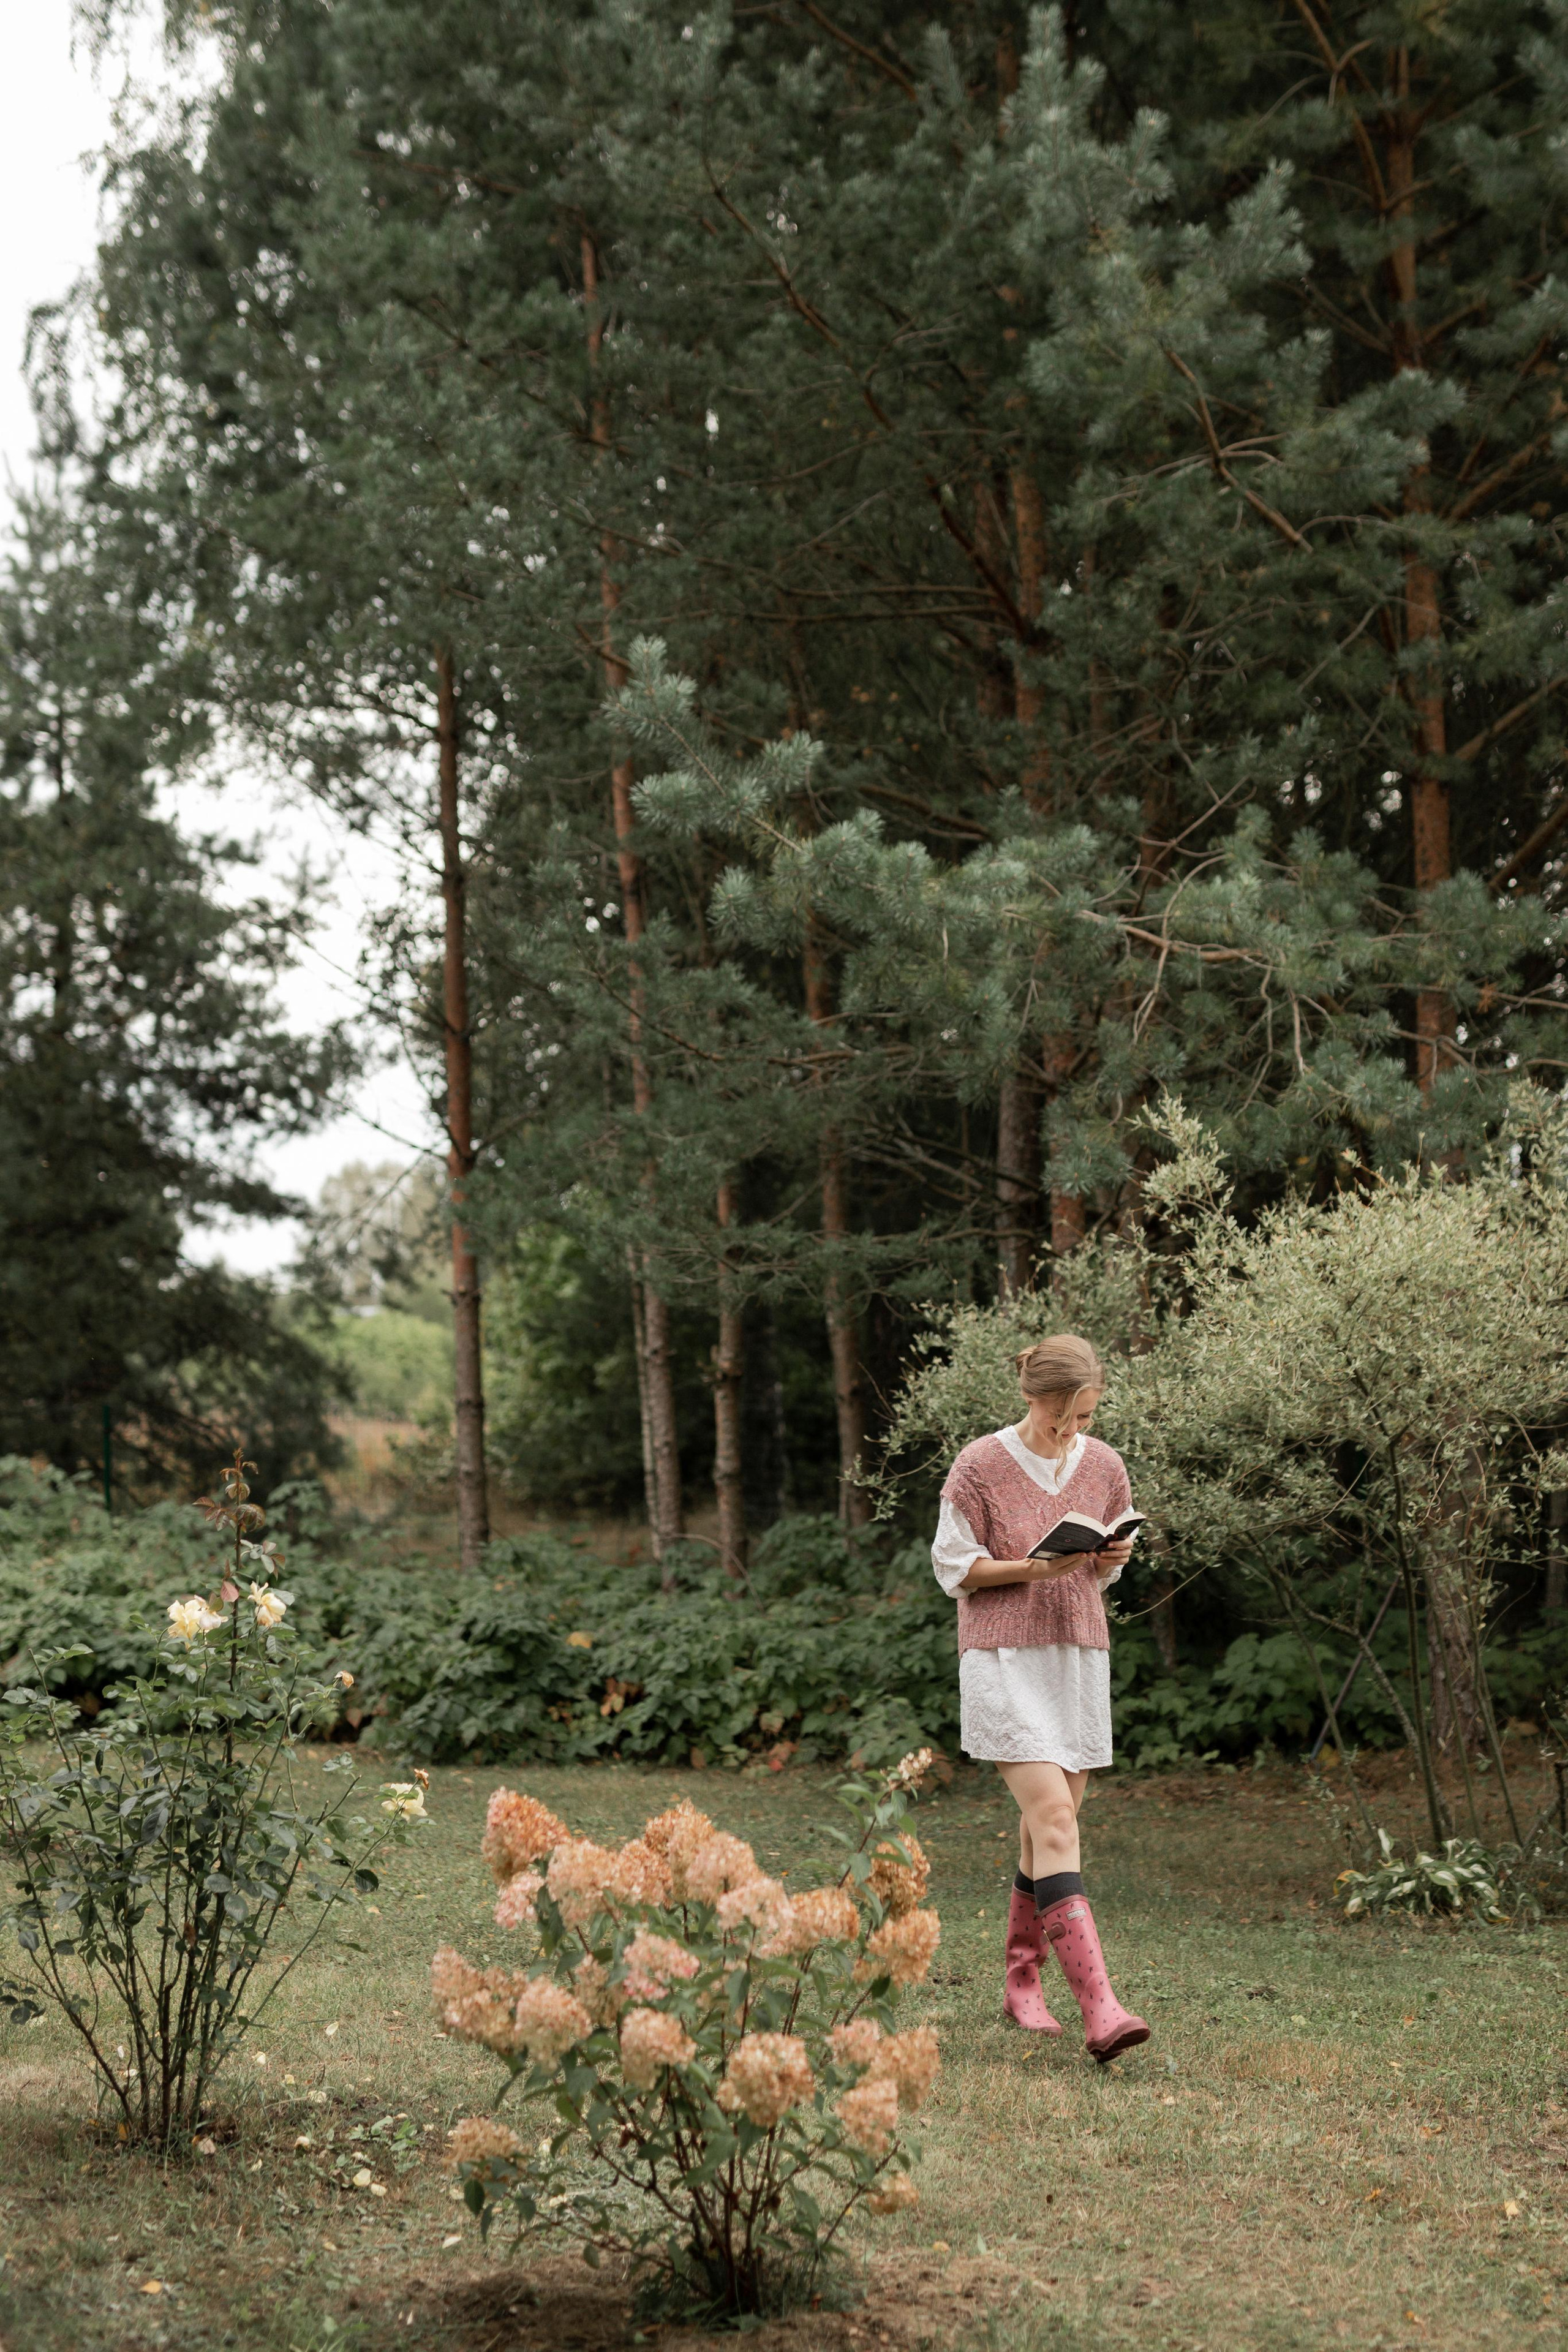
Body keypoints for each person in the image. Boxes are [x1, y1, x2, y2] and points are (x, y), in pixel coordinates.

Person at [931, 1332, 1149, 2062]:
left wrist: (1111, 1555)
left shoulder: (1106, 1465)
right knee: (1053, 1816)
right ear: (1034, 1397)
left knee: (1044, 1828)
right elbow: (955, 1569)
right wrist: (1035, 1568)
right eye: (1064, 1418)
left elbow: (1107, 1569)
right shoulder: (979, 1465)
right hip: (1001, 1656)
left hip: (1077, 1656)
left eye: (1085, 1418)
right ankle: (1102, 2009)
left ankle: (1020, 1980)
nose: (1072, 1433)